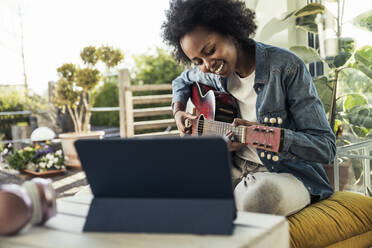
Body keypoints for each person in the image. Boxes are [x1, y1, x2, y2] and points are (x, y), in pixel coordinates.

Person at [161, 0, 336, 216]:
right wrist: (178, 111)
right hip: (235, 170)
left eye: (210, 50)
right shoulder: (211, 74)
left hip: (286, 174)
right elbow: (181, 81)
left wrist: (264, 136)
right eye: (197, 61)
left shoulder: (286, 67)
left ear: (231, 32)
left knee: (259, 198)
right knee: (165, 185)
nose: (207, 66)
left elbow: (325, 147)